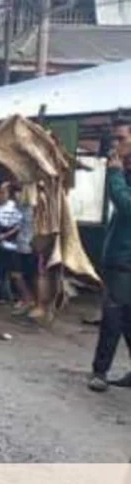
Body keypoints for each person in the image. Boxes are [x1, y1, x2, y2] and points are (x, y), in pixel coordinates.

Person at [89, 119, 131, 392]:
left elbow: (127, 205)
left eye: (120, 138)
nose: (114, 145)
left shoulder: (120, 173)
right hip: (122, 257)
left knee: (114, 315)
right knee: (127, 319)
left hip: (125, 260)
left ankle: (100, 371)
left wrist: (115, 174)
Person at [0, 182, 22, 306]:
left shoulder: (14, 206)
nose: (1, 195)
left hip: (11, 239)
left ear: (8, 194)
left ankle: (17, 297)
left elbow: (19, 225)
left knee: (14, 272)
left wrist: (6, 235)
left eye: (4, 193)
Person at [10, 185, 39, 315]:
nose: (17, 195)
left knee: (30, 276)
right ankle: (27, 300)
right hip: (20, 245)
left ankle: (31, 301)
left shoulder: (36, 209)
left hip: (31, 247)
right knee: (16, 275)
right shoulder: (19, 207)